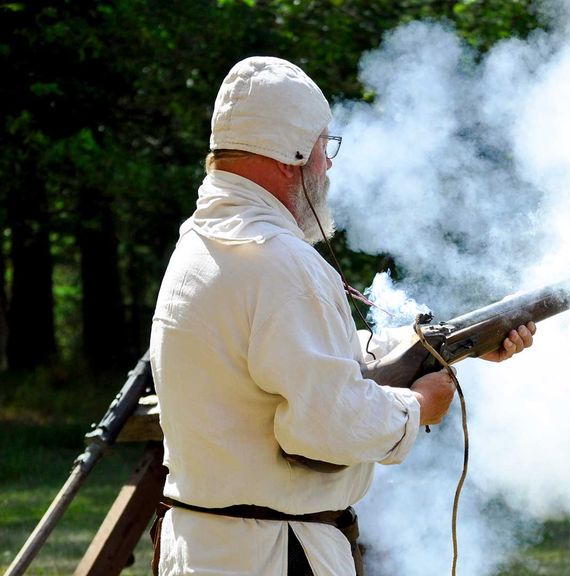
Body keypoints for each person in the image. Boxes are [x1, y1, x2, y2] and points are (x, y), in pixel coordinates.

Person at [149, 56, 536, 576]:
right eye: (321, 147)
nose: (326, 165)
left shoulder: (200, 243)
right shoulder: (281, 263)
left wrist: (430, 347)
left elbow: (300, 359)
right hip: (273, 555)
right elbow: (326, 424)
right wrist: (419, 405)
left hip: (211, 548)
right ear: (289, 154)